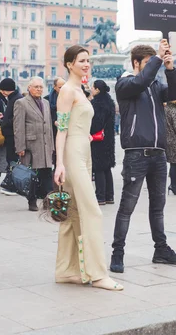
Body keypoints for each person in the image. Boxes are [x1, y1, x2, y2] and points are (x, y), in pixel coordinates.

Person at [110, 41, 176, 273]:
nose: (152, 68)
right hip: (136, 154)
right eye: (147, 63)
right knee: (127, 206)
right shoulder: (125, 83)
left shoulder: (155, 85)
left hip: (158, 154)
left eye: (153, 63)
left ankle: (161, 250)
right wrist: (157, 60)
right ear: (136, 63)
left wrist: (170, 68)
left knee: (158, 206)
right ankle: (118, 252)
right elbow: (140, 81)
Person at [53, 45, 123, 291]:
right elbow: (61, 130)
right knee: (92, 211)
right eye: (81, 60)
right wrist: (60, 163)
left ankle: (66, 270)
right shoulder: (68, 92)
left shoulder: (81, 91)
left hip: (84, 152)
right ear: (69, 63)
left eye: (88, 61)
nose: (86, 64)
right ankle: (97, 274)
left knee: (72, 214)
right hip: (73, 154)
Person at [13, 77, 55, 211]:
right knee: (31, 175)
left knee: (47, 174)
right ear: (29, 88)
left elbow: (48, 124)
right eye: (36, 87)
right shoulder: (21, 103)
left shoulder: (46, 103)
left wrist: (52, 146)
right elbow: (18, 127)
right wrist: (20, 147)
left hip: (45, 144)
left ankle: (49, 201)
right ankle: (32, 201)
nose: (39, 89)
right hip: (30, 146)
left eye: (41, 87)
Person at [90, 80, 116, 206]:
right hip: (109, 138)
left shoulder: (96, 103)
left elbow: (96, 122)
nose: (91, 89)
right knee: (107, 168)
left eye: (93, 88)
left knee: (99, 167)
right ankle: (109, 196)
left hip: (98, 139)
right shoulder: (110, 102)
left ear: (98, 90)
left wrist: (90, 132)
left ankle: (100, 196)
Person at [0, 78, 21, 196]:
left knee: (13, 160)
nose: (2, 92)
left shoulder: (16, 99)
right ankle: (9, 183)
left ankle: (12, 185)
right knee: (11, 160)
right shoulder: (14, 98)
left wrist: (6, 123)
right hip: (11, 134)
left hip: (13, 135)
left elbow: (16, 118)